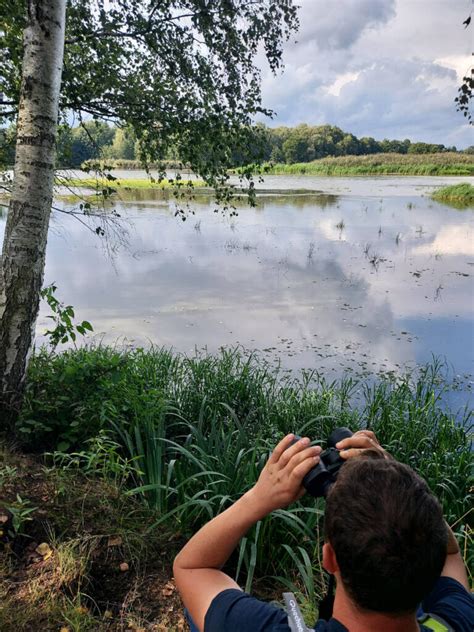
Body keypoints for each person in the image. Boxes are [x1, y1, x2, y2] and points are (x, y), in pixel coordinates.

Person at [173, 430, 473, 631]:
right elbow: (450, 552)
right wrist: (392, 477)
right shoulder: (457, 620)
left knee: (200, 612)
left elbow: (193, 568)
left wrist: (259, 497)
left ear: (329, 558)